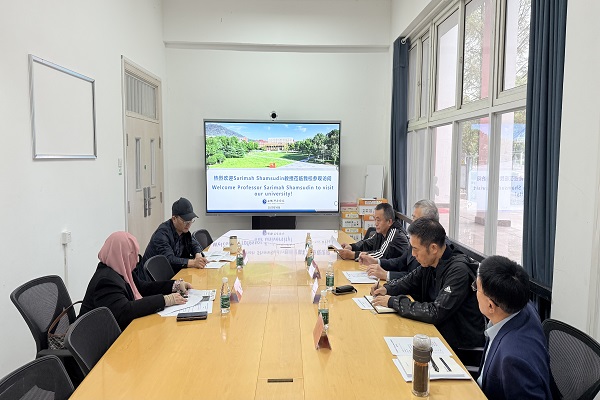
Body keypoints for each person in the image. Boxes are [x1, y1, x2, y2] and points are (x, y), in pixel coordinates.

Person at [371, 217, 484, 350]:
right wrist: (386, 289)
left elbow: (435, 312)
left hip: (459, 348)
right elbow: (408, 281)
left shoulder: (459, 270)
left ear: (433, 248)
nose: (413, 254)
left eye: (416, 249)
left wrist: (393, 302)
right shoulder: (431, 262)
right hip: (437, 334)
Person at [475, 255, 551, 400]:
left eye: (476, 288)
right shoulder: (523, 307)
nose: (475, 293)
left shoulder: (513, 360)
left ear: (490, 306)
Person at [80, 231, 191, 330]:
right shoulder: (106, 281)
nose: (137, 260)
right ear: (122, 256)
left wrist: (174, 285)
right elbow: (125, 311)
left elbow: (143, 288)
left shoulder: (121, 269)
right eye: (133, 255)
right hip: (97, 338)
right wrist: (164, 300)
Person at [359, 199, 438, 280]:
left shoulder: (428, 246)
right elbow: (400, 262)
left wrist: (386, 275)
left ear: (429, 223)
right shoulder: (416, 239)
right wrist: (377, 261)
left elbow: (416, 278)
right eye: (413, 218)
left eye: (415, 219)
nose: (412, 222)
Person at [134, 197, 208, 281]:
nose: (189, 224)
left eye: (190, 220)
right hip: (152, 281)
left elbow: (193, 243)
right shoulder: (161, 235)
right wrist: (193, 263)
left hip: (171, 275)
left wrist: (198, 255)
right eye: (185, 221)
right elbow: (169, 260)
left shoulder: (183, 230)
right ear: (174, 219)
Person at [338, 203, 408, 261]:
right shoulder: (382, 230)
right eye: (375, 219)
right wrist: (352, 247)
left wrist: (353, 255)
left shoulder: (395, 233)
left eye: (378, 220)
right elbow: (368, 243)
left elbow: (381, 255)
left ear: (389, 222)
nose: (376, 223)